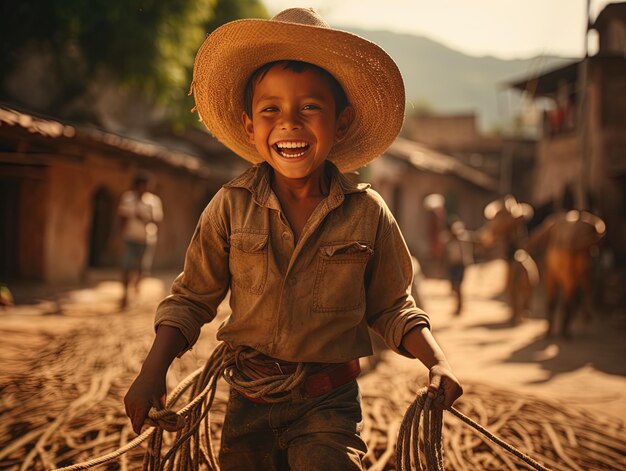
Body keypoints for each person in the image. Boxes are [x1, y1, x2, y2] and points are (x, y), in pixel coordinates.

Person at [124, 8, 462, 470]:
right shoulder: (229, 206)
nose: (289, 123)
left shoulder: (367, 213)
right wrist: (151, 372)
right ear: (250, 127)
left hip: (328, 404)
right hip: (247, 400)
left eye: (309, 107)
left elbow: (392, 306)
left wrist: (436, 361)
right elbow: (191, 299)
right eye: (271, 110)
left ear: (340, 123)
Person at [118, 172, 163, 309]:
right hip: (130, 237)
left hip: (147, 239)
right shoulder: (127, 198)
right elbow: (122, 217)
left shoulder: (153, 201)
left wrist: (142, 217)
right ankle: (125, 295)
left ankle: (136, 288)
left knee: (142, 269)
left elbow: (157, 220)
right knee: (126, 266)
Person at [443, 219, 474, 315]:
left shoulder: (462, 241)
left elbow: (466, 253)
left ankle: (460, 306)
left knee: (459, 286)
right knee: (454, 287)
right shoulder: (448, 242)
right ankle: (457, 305)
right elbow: (446, 255)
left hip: (460, 266)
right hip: (453, 266)